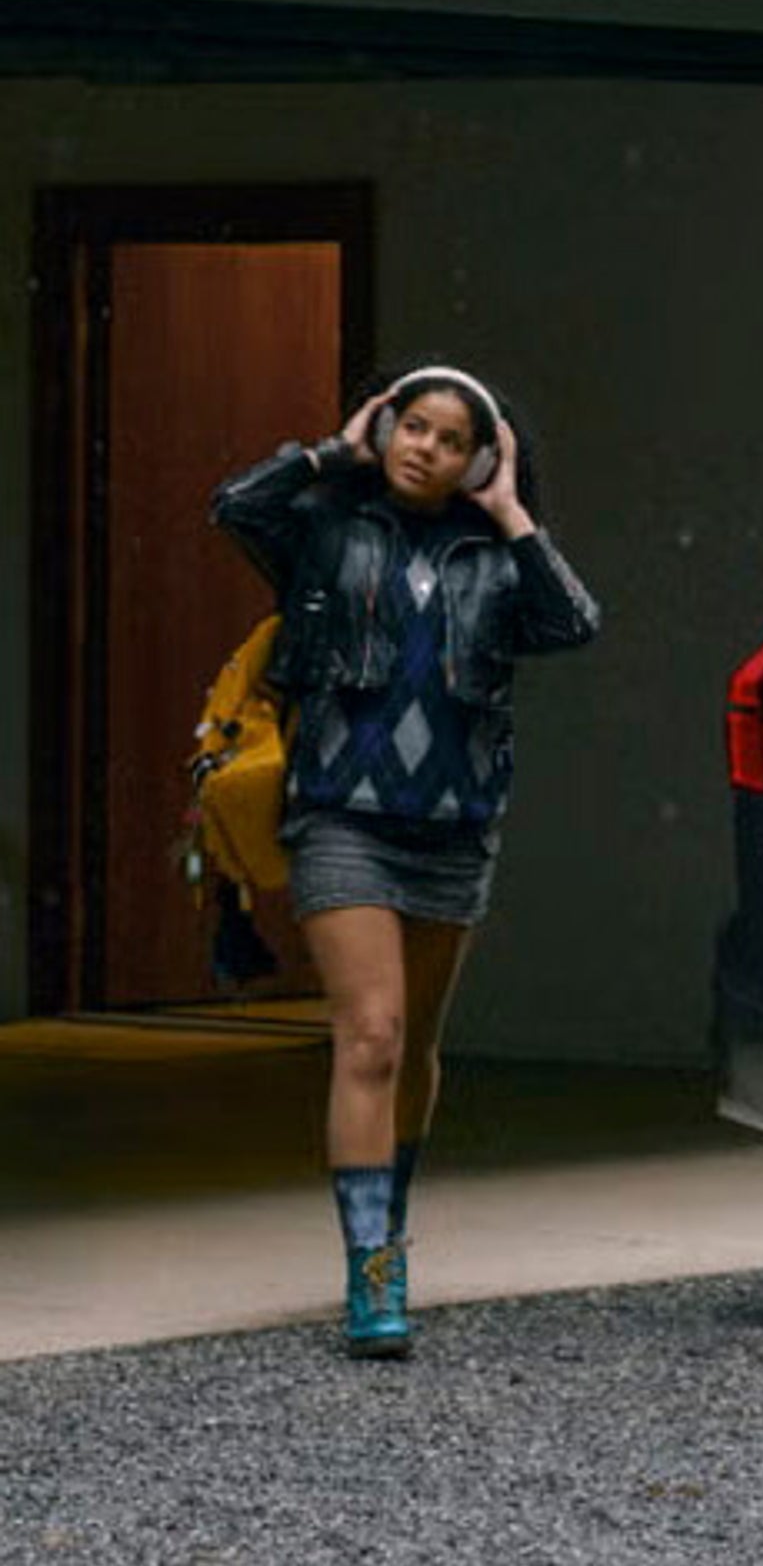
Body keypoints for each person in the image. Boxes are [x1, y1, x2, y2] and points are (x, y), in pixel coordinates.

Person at [210, 366, 600, 1355]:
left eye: (450, 436)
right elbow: (235, 506)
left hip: (454, 825)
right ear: (386, 426)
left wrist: (511, 511)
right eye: (410, 425)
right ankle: (373, 1273)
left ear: (484, 455)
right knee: (372, 1037)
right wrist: (330, 453)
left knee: (417, 1046)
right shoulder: (326, 531)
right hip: (343, 815)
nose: (424, 446)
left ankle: (390, 1214)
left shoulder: (497, 559)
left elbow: (572, 624)